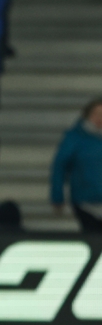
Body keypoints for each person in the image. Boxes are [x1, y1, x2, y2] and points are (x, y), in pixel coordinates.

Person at [50, 98, 102, 233]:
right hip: (85, 201)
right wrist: (57, 196)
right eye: (96, 114)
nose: (99, 118)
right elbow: (59, 166)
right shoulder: (74, 138)